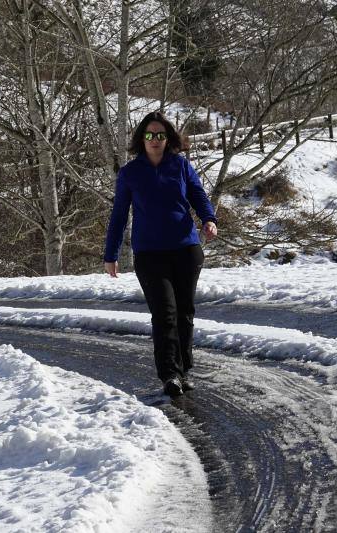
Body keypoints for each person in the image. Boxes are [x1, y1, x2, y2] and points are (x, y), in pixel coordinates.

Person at [103, 111, 218, 397]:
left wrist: (209, 218)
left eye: (161, 135)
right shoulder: (130, 173)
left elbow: (198, 195)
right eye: (150, 135)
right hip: (150, 254)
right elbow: (119, 215)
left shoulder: (180, 166)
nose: (155, 140)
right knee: (164, 313)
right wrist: (111, 253)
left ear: (169, 139)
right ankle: (169, 375)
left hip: (185, 249)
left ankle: (184, 369)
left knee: (184, 313)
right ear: (142, 139)